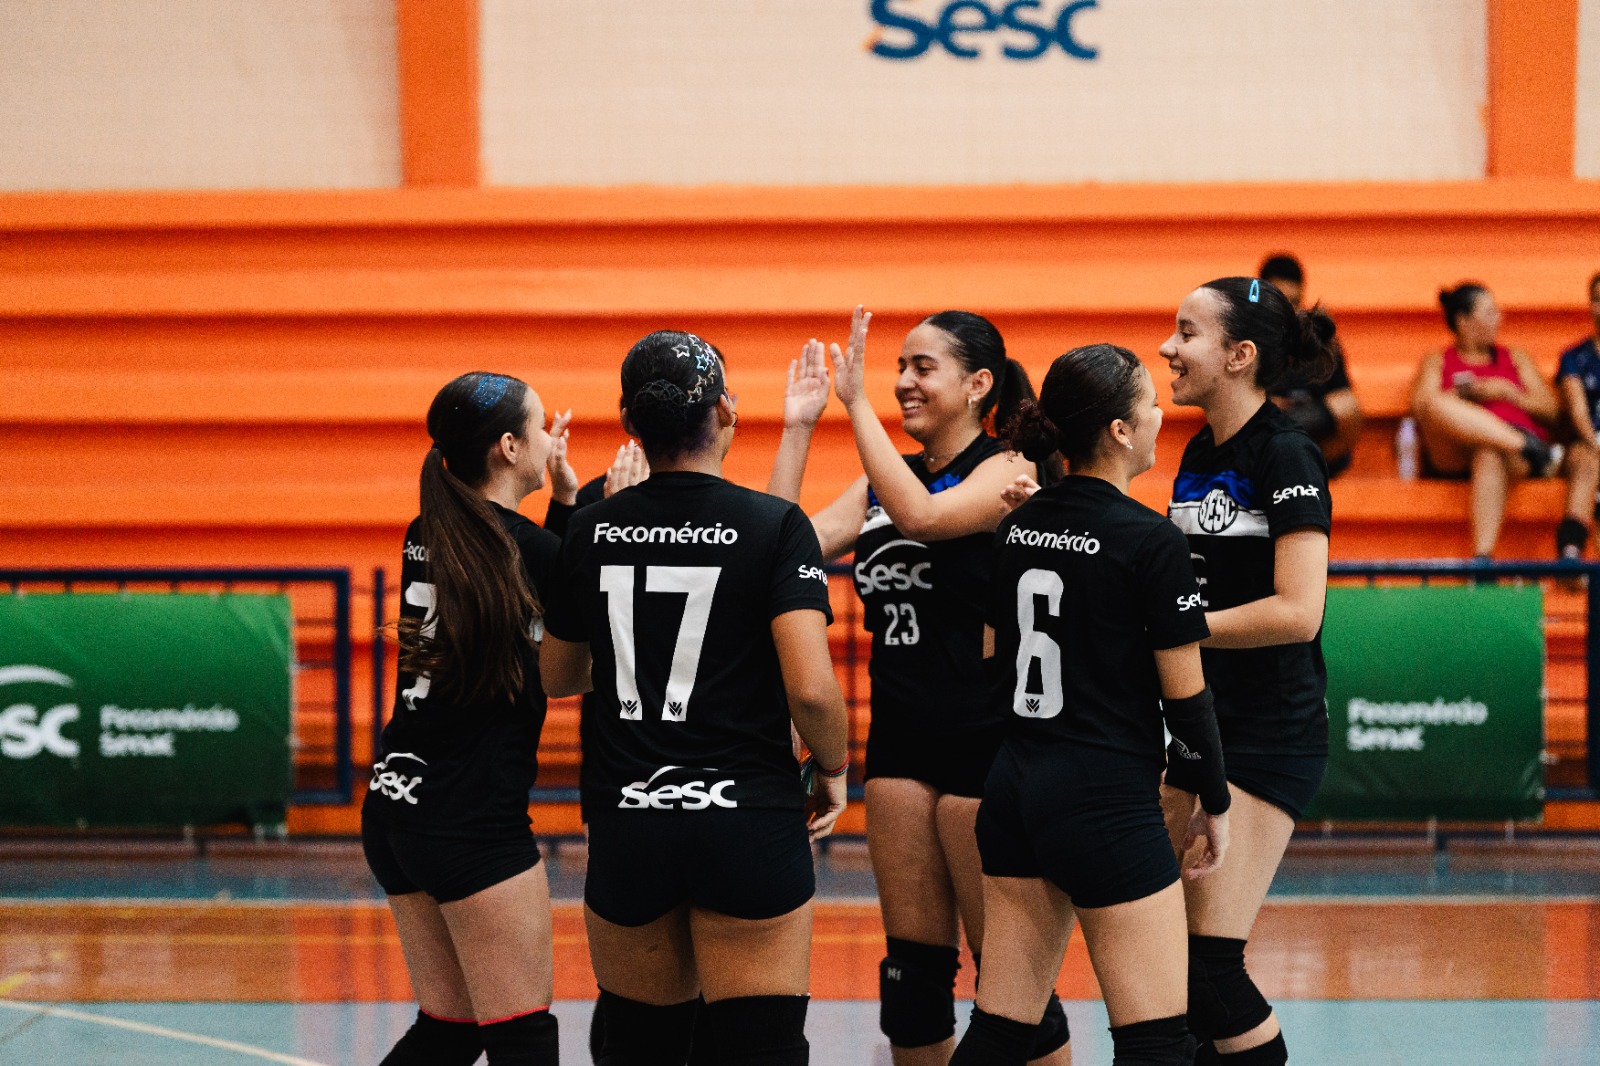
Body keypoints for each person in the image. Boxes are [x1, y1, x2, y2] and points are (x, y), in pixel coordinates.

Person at [539, 330, 850, 1066]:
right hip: (745, 820)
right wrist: (832, 764)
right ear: (727, 413)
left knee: (640, 1047)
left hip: (630, 820)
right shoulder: (775, 526)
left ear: (630, 425)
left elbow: (556, 677)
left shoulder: (589, 530)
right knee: (761, 1047)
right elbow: (810, 687)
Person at [768, 310, 1070, 1065]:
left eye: (922, 366)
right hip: (900, 738)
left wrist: (857, 404)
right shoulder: (880, 480)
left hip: (987, 739)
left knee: (1009, 983)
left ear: (978, 385)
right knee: (911, 984)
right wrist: (800, 429)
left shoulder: (1008, 468)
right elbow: (776, 545)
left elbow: (925, 515)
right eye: (897, 365)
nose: (902, 380)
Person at [948, 343, 1230, 1066]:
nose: (1162, 413)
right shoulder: (1150, 540)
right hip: (1104, 794)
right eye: (1149, 405)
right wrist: (1213, 799)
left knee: (1002, 1027)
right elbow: (1188, 697)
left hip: (1015, 786)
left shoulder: (1018, 527)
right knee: (1158, 1041)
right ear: (1121, 431)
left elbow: (990, 662)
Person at [1158, 277, 1337, 1066]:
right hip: (1200, 729)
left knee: (1207, 969)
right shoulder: (1199, 452)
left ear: (1239, 355)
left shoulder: (1287, 452)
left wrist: (1177, 629)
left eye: (1187, 333)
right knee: (1167, 967)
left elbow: (1299, 612)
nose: (1167, 347)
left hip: (1269, 737)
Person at [362, 371, 562, 1065]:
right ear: (509, 448)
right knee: (522, 1035)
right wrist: (585, 507)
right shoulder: (527, 550)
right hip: (470, 819)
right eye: (540, 428)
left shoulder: (430, 528)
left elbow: (526, 579)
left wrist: (559, 506)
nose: (550, 440)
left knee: (448, 1029)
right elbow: (564, 623)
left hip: (397, 803)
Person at [1411, 282, 1572, 559]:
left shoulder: (1515, 358)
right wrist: (1466, 394)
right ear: (1463, 321)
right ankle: (1527, 446)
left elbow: (1551, 410)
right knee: (1435, 401)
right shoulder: (1437, 360)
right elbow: (1422, 408)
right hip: (1455, 449)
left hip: (1506, 457)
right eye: (1489, 312)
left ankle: (1482, 560)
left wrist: (1507, 392)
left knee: (1489, 454)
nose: (1498, 318)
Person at [1258, 255, 1362, 477]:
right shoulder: (1244, 338)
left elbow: (1341, 396)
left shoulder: (1320, 338)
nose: (1289, 311)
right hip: (1266, 429)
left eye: (1294, 302)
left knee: (1348, 407)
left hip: (1313, 426)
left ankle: (1312, 469)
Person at [1552, 271, 1600, 558]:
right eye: (1596, 299)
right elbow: (1577, 407)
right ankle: (1570, 550)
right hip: (1589, 441)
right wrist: (1595, 442)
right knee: (1587, 461)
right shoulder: (1574, 357)